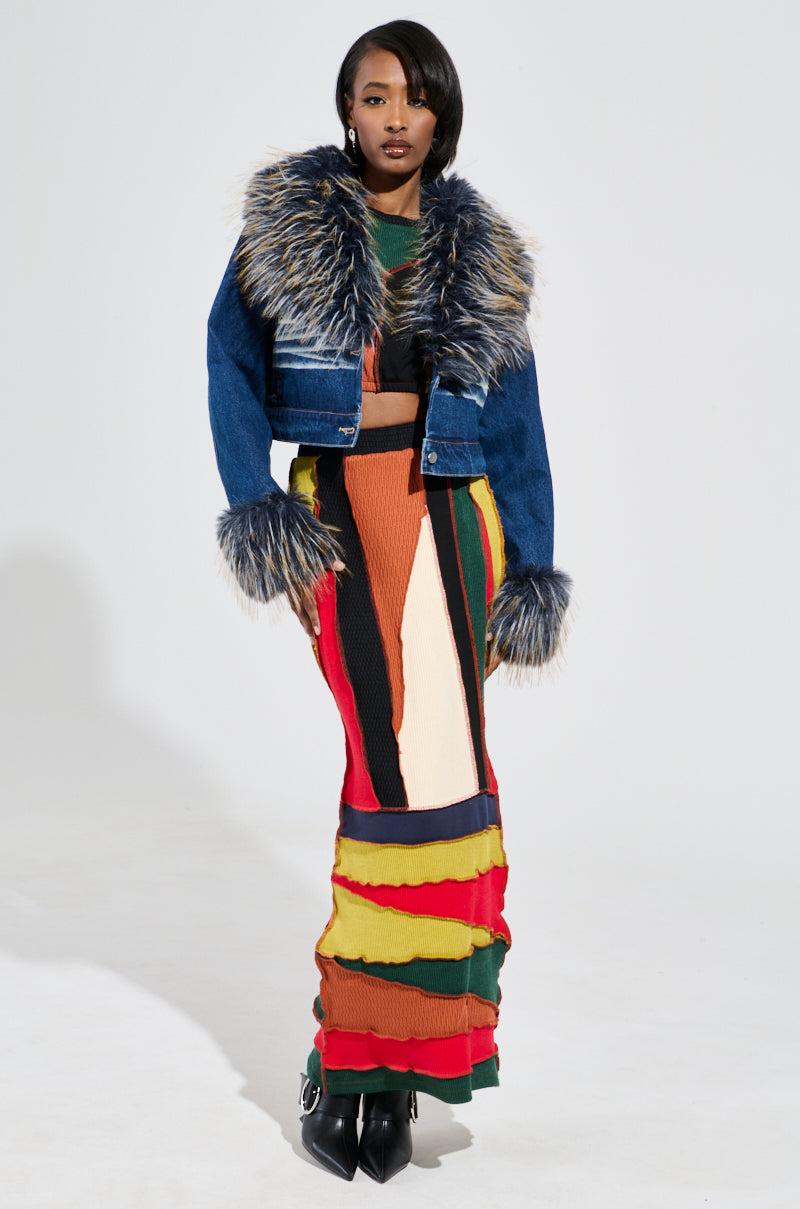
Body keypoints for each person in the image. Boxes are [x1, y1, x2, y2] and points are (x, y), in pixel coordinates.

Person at [206, 18, 572, 1184]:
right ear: (347, 109)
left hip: (455, 518)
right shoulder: (288, 223)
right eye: (373, 96)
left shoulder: (482, 248)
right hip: (342, 514)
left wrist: (530, 568)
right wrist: (257, 503)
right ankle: (350, 1054)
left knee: (444, 771)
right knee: (388, 768)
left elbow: (516, 423)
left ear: (440, 113)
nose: (394, 117)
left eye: (413, 98)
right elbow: (227, 364)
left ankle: (395, 1059)